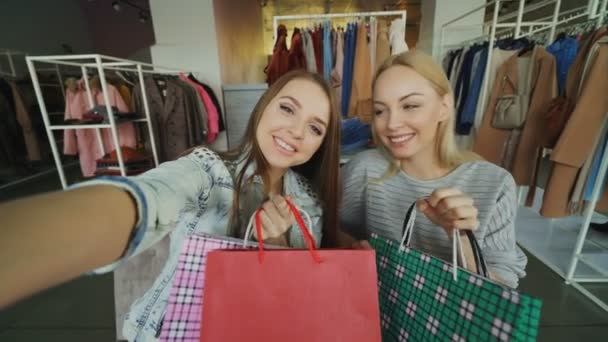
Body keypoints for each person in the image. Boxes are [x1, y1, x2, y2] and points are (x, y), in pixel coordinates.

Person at [0, 70, 342, 340]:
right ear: (263, 105)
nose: (296, 131)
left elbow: (296, 293)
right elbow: (153, 195)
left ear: (321, 144)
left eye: (314, 127)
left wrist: (280, 242)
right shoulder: (209, 171)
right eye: (287, 108)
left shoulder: (309, 204)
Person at [340, 51, 527, 288]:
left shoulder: (494, 184)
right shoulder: (364, 169)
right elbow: (333, 232)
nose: (392, 124)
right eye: (380, 110)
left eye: (410, 105)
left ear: (444, 107)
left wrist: (460, 238)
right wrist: (355, 249)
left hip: (453, 320)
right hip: (373, 315)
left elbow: (503, 288)